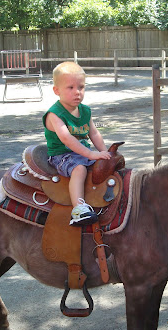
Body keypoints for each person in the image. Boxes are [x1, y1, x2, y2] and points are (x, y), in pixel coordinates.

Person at [43, 61, 111, 226]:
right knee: (79, 169)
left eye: (81, 87)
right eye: (70, 88)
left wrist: (106, 154)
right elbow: (66, 138)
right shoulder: (55, 114)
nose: (77, 92)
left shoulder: (85, 110)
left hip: (81, 152)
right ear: (56, 90)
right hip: (62, 155)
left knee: (104, 168)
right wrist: (91, 154)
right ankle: (79, 208)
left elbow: (94, 133)